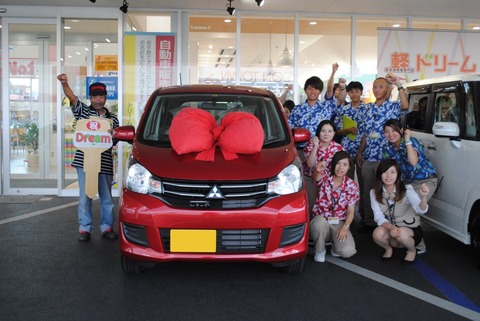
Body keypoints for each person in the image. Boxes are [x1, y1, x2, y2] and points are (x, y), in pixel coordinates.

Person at [57, 73, 119, 242]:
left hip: (105, 162)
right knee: (85, 196)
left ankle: (107, 227)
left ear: (106, 97)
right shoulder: (83, 111)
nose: (98, 100)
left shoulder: (112, 118)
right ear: (90, 97)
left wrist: (112, 135)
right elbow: (72, 97)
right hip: (83, 162)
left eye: (101, 96)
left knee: (107, 197)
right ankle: (85, 229)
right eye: (95, 96)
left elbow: (115, 140)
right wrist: (64, 82)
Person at [356, 73, 409, 232]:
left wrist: (399, 85)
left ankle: (386, 222)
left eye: (381, 87)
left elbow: (405, 106)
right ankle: (369, 222)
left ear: (387, 90)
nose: (377, 90)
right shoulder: (368, 108)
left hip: (385, 159)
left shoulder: (392, 106)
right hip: (368, 157)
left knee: (384, 191)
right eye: (375, 87)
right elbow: (365, 132)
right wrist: (360, 152)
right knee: (366, 191)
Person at [371, 159, 429, 263]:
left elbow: (421, 210)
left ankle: (412, 250)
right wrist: (391, 227)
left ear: (398, 175)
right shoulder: (374, 192)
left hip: (411, 230)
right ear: (380, 174)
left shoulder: (407, 189)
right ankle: (388, 249)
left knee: (401, 233)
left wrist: (423, 197)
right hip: (392, 228)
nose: (388, 176)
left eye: (392, 172)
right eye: (385, 172)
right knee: (377, 233)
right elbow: (378, 216)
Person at [310, 151, 360, 263]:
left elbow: (351, 211)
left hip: (339, 222)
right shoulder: (325, 177)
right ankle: (320, 250)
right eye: (338, 163)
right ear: (333, 164)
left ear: (349, 167)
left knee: (348, 251)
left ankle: (335, 247)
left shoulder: (352, 185)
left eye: (345, 164)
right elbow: (316, 178)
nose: (340, 167)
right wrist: (318, 171)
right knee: (317, 223)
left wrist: (345, 227)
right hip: (322, 219)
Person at [288, 74, 345, 151]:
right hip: (301, 150)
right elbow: (289, 129)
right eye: (310, 88)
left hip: (322, 150)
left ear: (320, 91)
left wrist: (342, 86)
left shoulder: (326, 106)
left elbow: (340, 100)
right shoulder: (297, 109)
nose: (312, 91)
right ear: (305, 90)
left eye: (316, 89)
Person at [303, 120, 343, 212]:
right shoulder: (311, 144)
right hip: (311, 180)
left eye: (330, 131)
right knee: (311, 206)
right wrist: (315, 146)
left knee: (326, 209)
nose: (326, 134)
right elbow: (310, 164)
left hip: (329, 182)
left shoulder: (338, 148)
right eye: (323, 131)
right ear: (319, 132)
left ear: (334, 133)